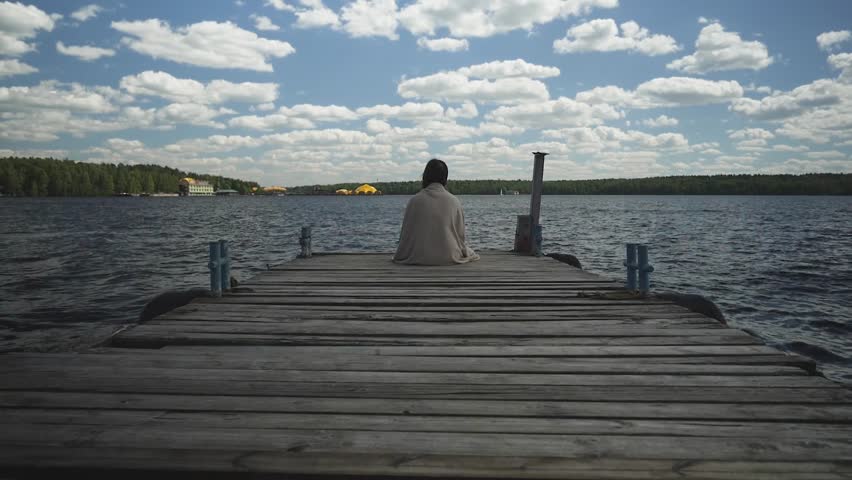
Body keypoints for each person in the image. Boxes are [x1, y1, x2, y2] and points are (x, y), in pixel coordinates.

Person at [393, 159, 480, 265]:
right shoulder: (454, 201)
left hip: (417, 256)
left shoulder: (414, 201)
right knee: (468, 251)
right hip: (449, 256)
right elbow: (460, 237)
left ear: (425, 176)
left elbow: (406, 236)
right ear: (445, 178)